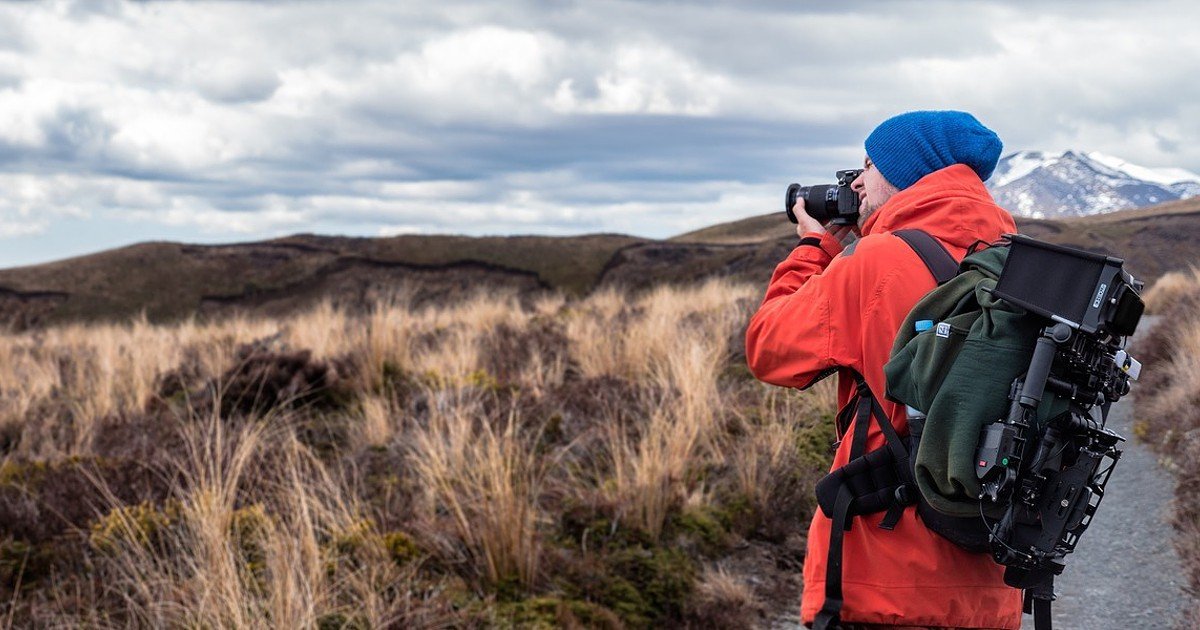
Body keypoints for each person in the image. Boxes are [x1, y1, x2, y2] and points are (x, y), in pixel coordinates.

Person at [745, 111, 1023, 629]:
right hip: (990, 585)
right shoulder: (1018, 264)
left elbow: (768, 348)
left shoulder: (875, 262)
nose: (854, 182)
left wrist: (814, 247)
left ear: (904, 172)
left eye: (868, 165)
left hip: (884, 577)